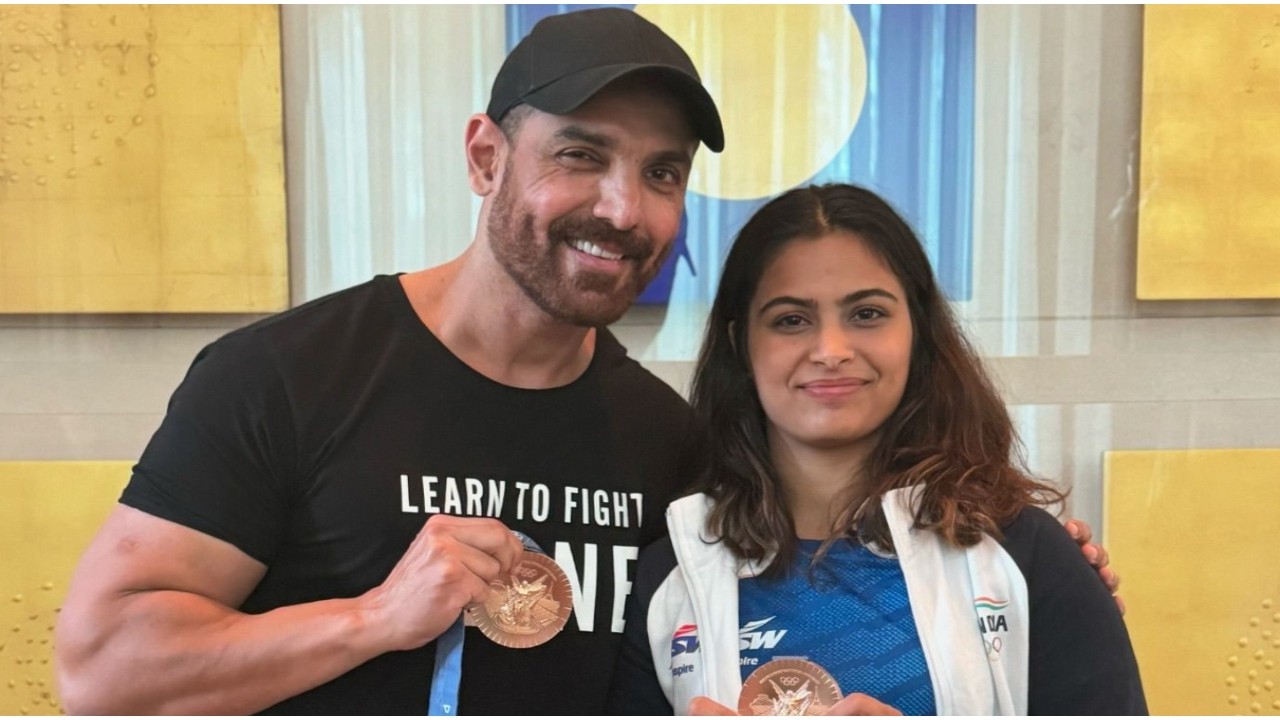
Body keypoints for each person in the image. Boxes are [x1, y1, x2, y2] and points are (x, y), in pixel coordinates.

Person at [53, 8, 1118, 716]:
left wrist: (1025, 568)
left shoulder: (673, 444)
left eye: (659, 172)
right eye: (579, 154)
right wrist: (372, 620)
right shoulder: (287, 375)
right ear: (484, 155)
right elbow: (100, 669)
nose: (621, 207)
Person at [606, 184, 1146, 715]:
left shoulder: (1027, 556)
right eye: (791, 320)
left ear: (918, 330)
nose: (831, 350)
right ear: (739, 344)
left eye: (866, 314)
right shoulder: (671, 573)